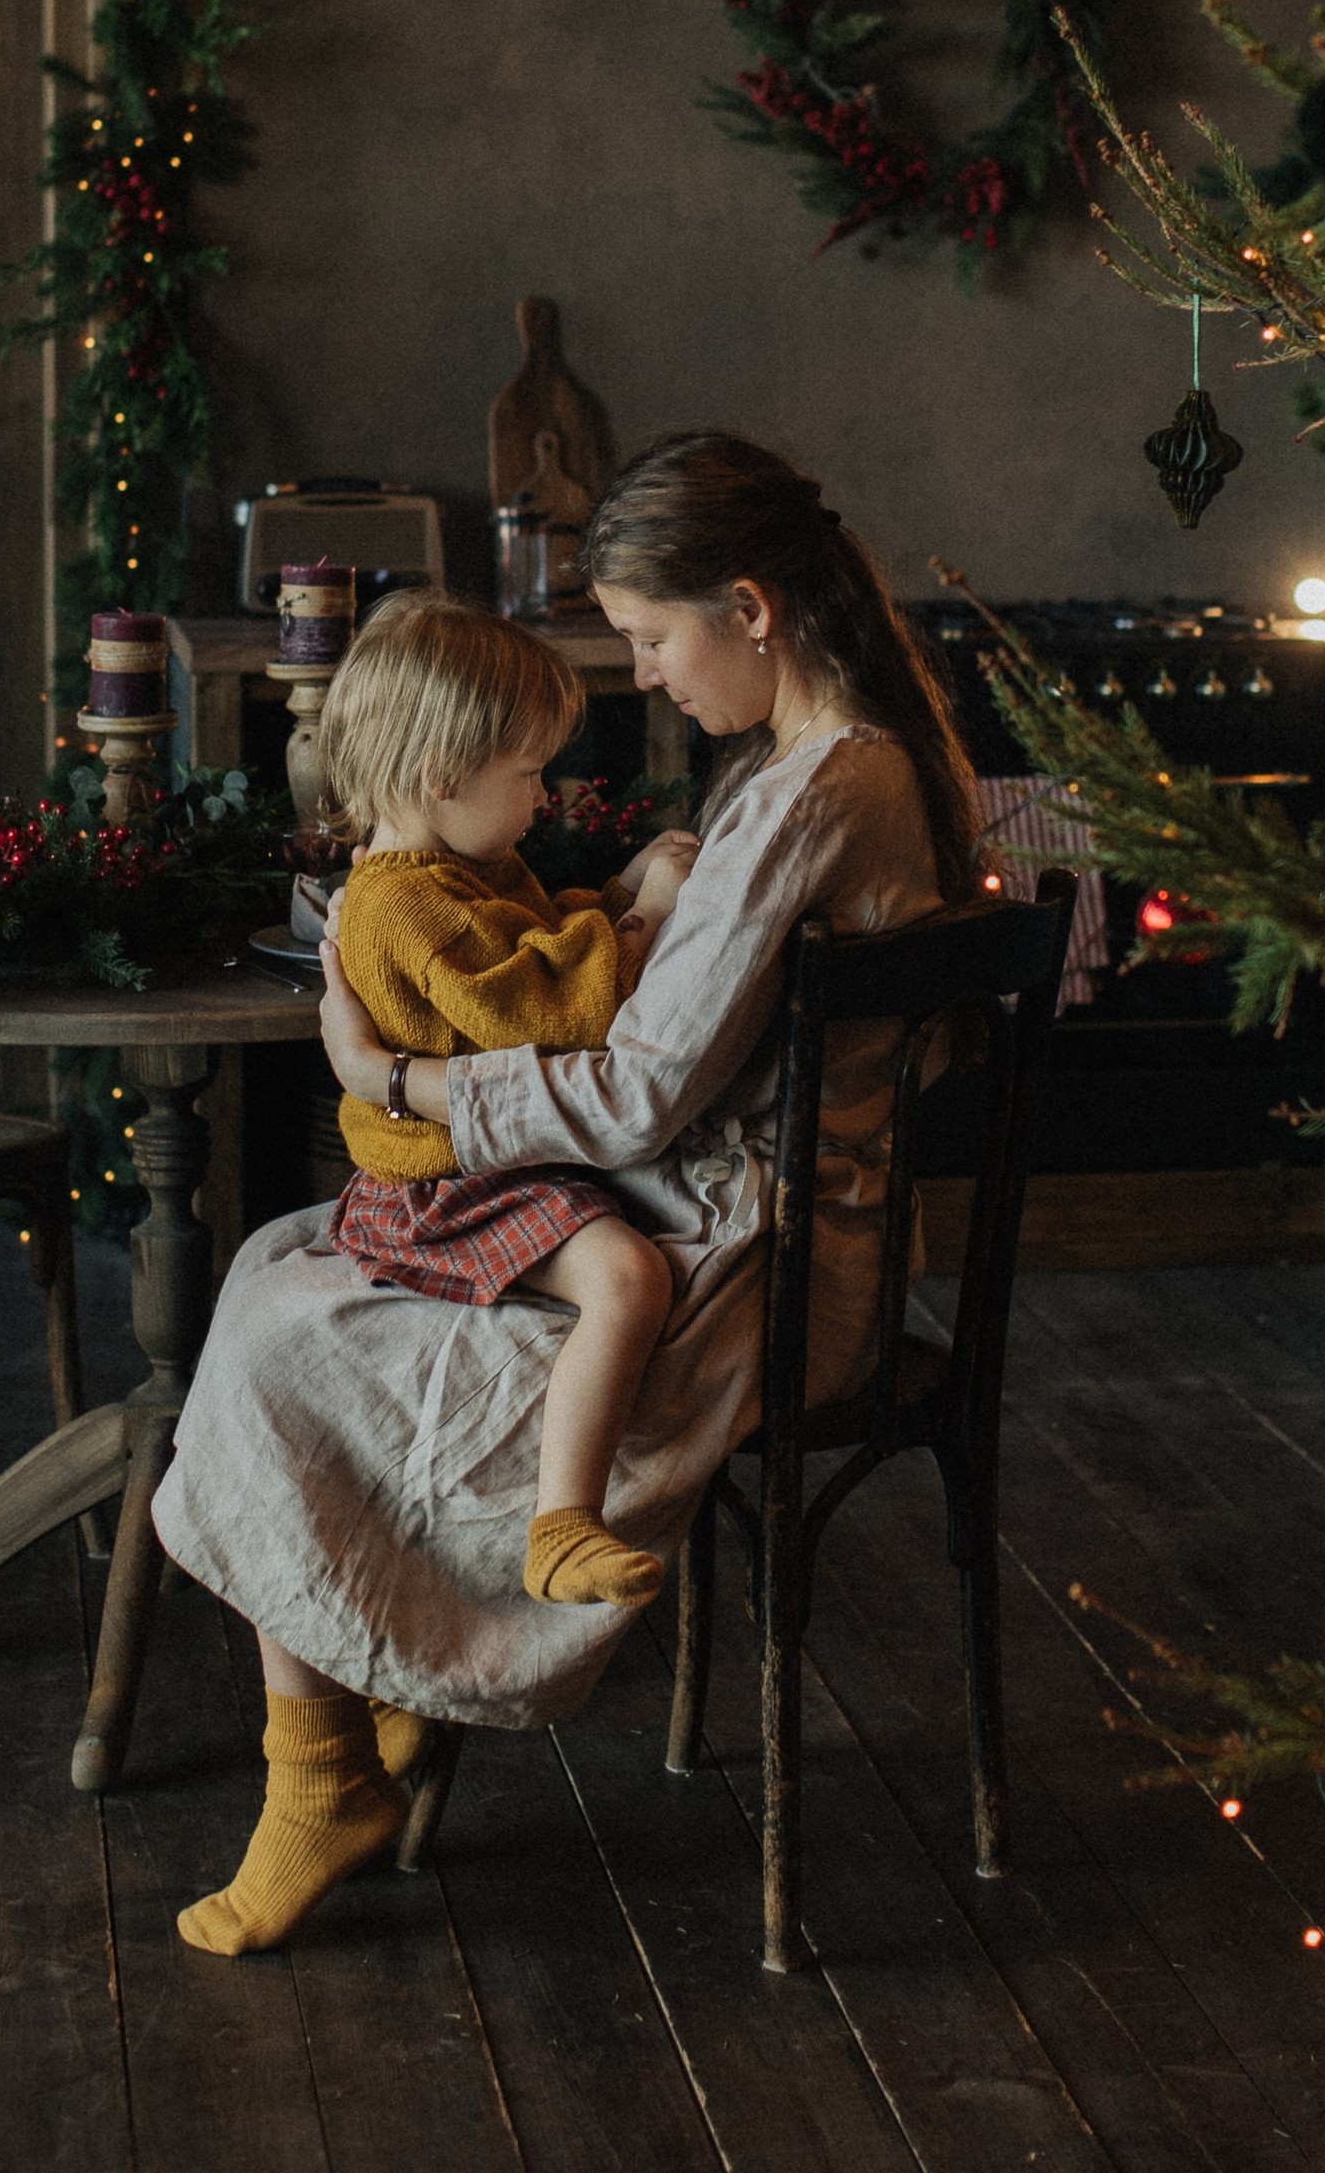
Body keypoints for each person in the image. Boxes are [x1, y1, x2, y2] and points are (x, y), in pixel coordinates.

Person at [152, 429, 981, 1958]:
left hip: (760, 1277)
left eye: (656, 640)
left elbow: (641, 1093)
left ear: (750, 608)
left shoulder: (814, 791)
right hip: (779, 1230)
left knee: (281, 1327)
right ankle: (373, 1706)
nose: (650, 680)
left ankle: (320, 1767)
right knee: (285, 1263)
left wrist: (400, 1091)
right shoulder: (847, 761)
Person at [314, 589, 702, 1622]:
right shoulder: (400, 900)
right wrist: (649, 924)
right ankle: (562, 1527)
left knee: (633, 1261)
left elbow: (528, 931)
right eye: (529, 772)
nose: (549, 796)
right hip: (439, 1187)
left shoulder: (456, 863)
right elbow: (530, 1004)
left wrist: (617, 896)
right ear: (441, 775)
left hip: (490, 1161)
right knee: (627, 1278)